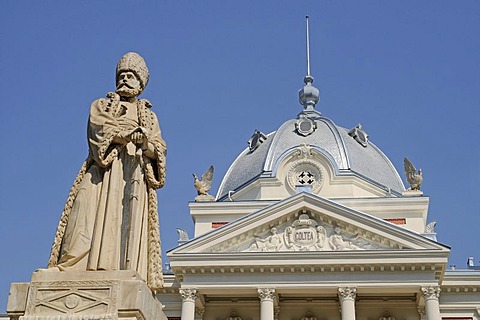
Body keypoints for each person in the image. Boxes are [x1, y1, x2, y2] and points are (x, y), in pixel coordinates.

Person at [47, 52, 166, 291]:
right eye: (122, 75)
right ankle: (72, 264)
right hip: (103, 171)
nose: (125, 80)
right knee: (83, 213)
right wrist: (124, 135)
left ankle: (120, 268)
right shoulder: (103, 105)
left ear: (141, 83)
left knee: (125, 226)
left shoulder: (149, 116)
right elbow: (98, 131)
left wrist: (146, 145)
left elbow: (159, 148)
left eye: (131, 76)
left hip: (133, 176)